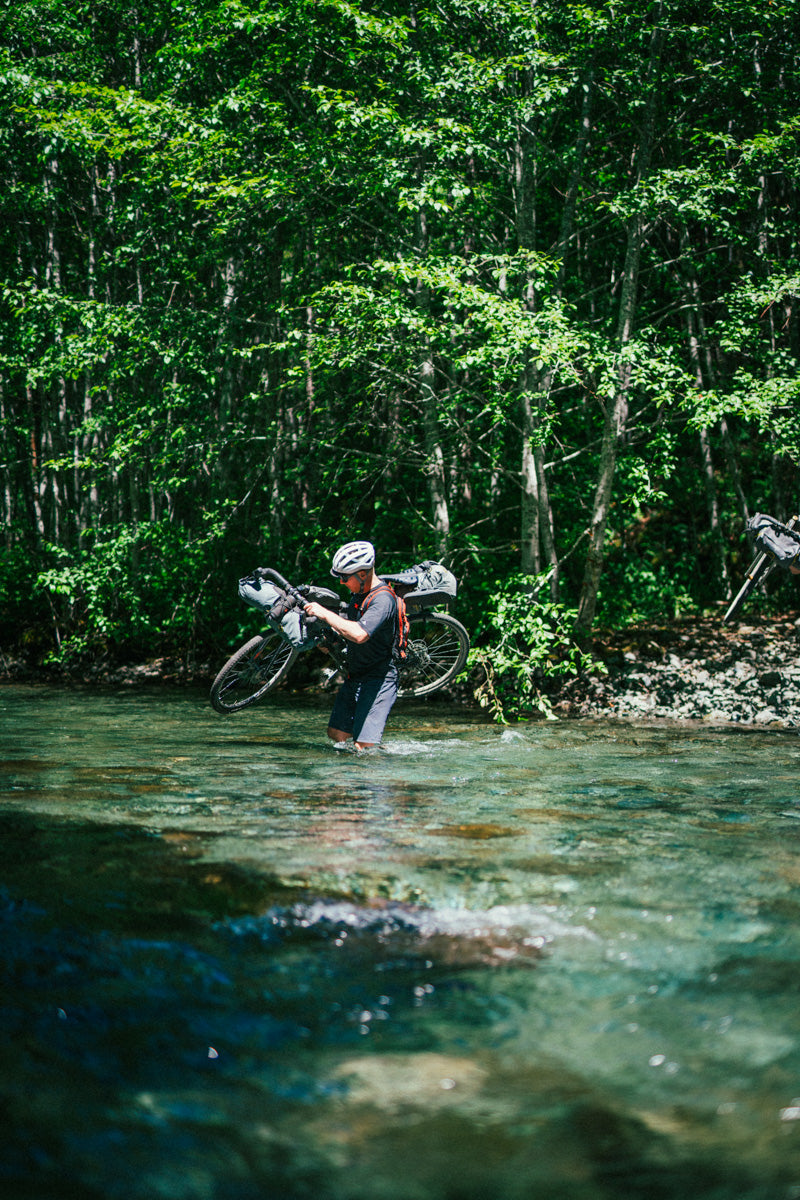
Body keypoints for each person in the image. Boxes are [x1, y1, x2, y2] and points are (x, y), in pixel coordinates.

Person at [303, 540, 399, 750]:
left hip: (379, 677)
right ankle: (349, 776)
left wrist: (324, 613)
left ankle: (385, 774)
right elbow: (348, 626)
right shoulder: (359, 593)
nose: (341, 582)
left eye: (345, 578)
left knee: (363, 746)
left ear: (363, 574)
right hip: (356, 672)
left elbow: (359, 634)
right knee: (336, 734)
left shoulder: (383, 600)